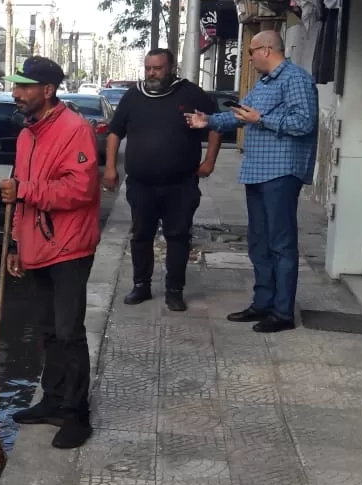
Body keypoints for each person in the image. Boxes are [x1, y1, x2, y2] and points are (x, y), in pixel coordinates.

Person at [0, 56, 101, 449]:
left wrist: (24, 191)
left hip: (70, 246)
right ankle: (53, 400)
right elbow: (20, 196)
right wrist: (15, 244)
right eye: (16, 86)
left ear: (48, 90)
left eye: (24, 87)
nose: (16, 93)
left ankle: (77, 413)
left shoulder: (74, 130)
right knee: (46, 332)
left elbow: (81, 191)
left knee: (68, 332)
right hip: (37, 245)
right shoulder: (28, 134)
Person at [187, 31, 318, 333]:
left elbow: (304, 123)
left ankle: (283, 313)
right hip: (257, 171)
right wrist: (207, 121)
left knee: (281, 244)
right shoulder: (265, 82)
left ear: (267, 49)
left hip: (282, 172)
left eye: (251, 51)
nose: (248, 57)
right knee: (259, 242)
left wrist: (262, 119)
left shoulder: (295, 79)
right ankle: (263, 303)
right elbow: (240, 116)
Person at [103, 49, 222, 312]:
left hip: (180, 184)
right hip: (141, 184)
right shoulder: (134, 96)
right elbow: (114, 133)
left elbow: (215, 125)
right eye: (148, 68)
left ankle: (174, 291)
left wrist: (209, 161)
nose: (151, 73)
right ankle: (141, 286)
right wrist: (110, 167)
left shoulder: (190, 93)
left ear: (170, 68)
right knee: (141, 236)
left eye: (157, 68)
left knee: (178, 236)